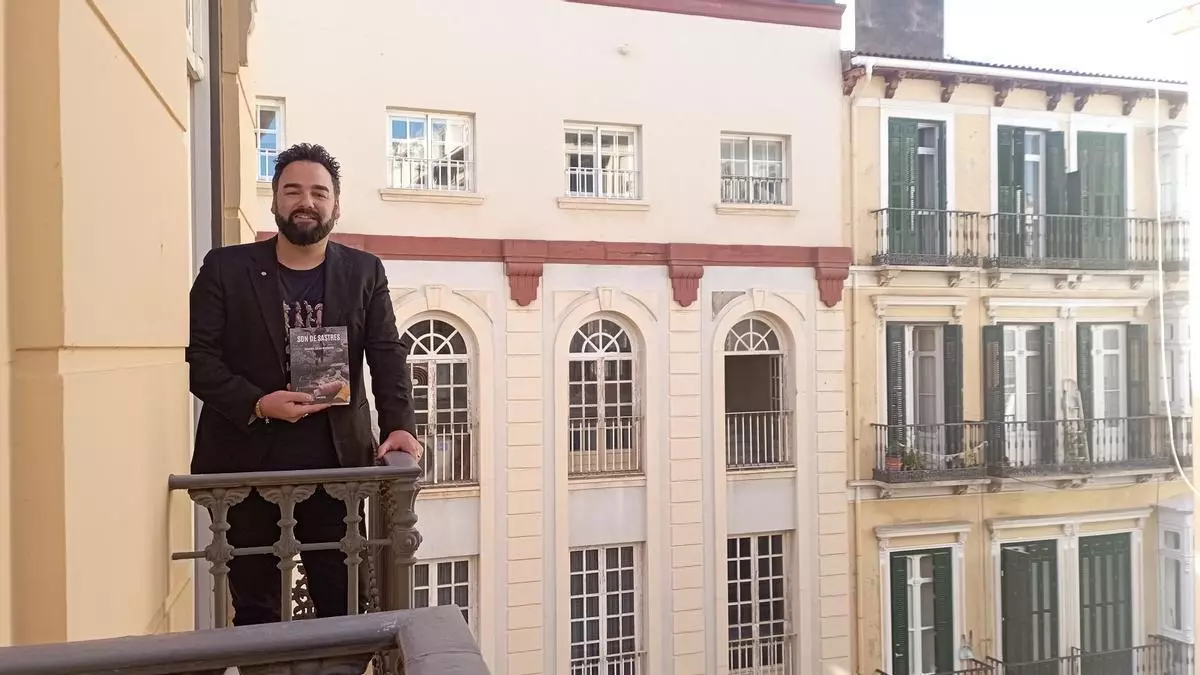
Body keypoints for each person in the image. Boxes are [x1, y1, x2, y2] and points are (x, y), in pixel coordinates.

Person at [187, 142, 422, 625]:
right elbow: (201, 363)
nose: (306, 202)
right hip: (246, 470)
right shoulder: (225, 268)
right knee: (257, 610)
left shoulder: (363, 271)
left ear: (336, 205)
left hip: (335, 471)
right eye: (292, 191)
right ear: (275, 200)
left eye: (319, 192)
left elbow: (386, 352)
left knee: (344, 604)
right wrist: (259, 403)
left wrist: (399, 425)